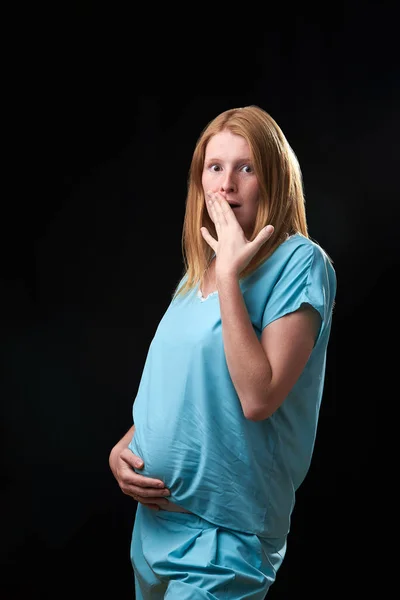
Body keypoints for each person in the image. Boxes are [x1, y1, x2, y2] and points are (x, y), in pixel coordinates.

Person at [109, 105, 336, 599]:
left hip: (225, 534)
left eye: (246, 167)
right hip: (155, 526)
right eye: (215, 167)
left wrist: (231, 273)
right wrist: (127, 446)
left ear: (272, 180)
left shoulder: (300, 261)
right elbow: (189, 382)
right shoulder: (196, 277)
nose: (227, 183)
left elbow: (258, 397)